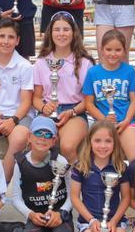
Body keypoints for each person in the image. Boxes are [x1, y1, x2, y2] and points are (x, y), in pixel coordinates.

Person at [0, 116, 74, 232]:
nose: (42, 138)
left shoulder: (60, 161)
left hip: (58, 215)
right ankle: (16, 229)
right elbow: (16, 198)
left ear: (54, 140)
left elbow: (73, 195)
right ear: (29, 137)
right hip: (35, 215)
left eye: (48, 135)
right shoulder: (21, 163)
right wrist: (30, 214)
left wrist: (61, 213)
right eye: (38, 133)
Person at [32, 11, 94, 164]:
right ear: (50, 33)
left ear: (74, 33)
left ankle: (78, 182)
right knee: (39, 146)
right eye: (57, 29)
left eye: (66, 29)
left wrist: (72, 112)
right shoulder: (41, 62)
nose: (61, 34)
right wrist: (43, 108)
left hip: (75, 111)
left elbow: (89, 100)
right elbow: (36, 97)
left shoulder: (85, 63)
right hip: (47, 111)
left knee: (67, 147)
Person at [0, 18, 33, 182]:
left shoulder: (24, 66)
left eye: (11, 37)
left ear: (17, 40)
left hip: (19, 116)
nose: (6, 41)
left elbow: (26, 101)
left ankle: (2, 184)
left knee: (18, 140)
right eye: (2, 36)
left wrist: (13, 121)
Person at [70, 121, 131, 232]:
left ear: (115, 143)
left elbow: (126, 197)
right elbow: (74, 197)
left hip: (114, 219)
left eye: (108, 141)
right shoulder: (81, 165)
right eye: (97, 141)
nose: (102, 146)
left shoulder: (120, 167)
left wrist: (114, 222)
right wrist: (91, 221)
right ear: (90, 142)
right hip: (89, 219)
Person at [82, 29, 135, 161]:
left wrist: (126, 121)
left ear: (124, 50)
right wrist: (104, 119)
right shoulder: (93, 73)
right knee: (99, 157)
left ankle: (134, 181)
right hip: (101, 123)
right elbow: (89, 103)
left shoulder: (129, 71)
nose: (113, 54)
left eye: (118, 50)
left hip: (126, 123)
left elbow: (134, 101)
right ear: (101, 50)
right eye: (108, 49)